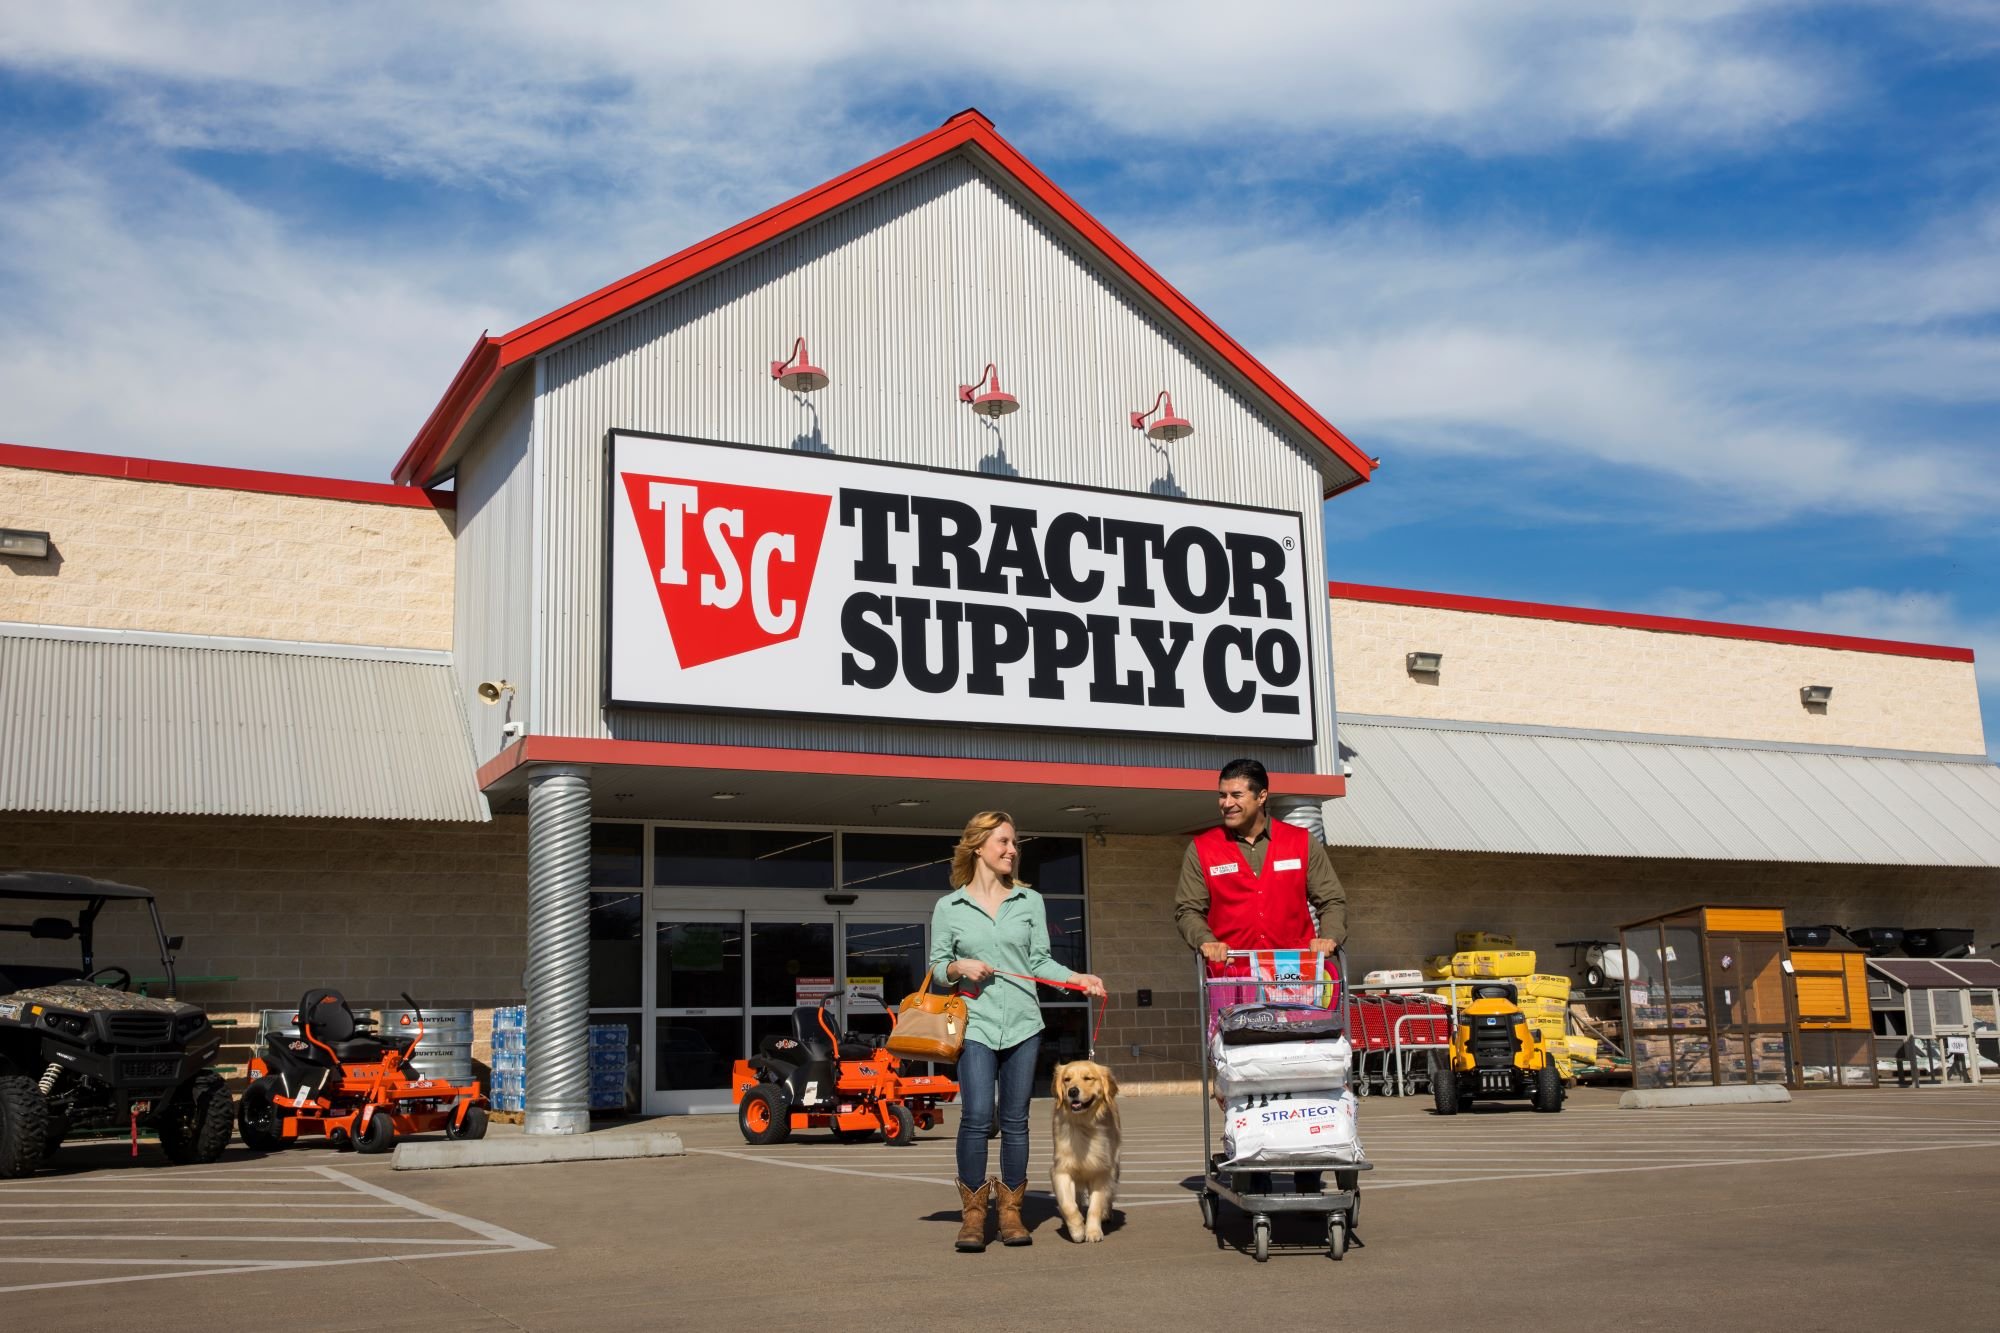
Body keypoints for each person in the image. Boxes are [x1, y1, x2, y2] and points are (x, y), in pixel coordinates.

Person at [929, 811, 1105, 1253]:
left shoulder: (1029, 901)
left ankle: (1010, 1213)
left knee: (1015, 1122)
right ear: (978, 847)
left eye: (1014, 844)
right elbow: (934, 970)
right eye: (1003, 842)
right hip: (974, 1024)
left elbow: (1039, 963)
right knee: (974, 1119)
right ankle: (973, 1217)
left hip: (1024, 1024)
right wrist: (957, 966)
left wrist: (1077, 978)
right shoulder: (950, 907)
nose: (1011, 850)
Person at [1175, 758, 1347, 1194]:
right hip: (1232, 978)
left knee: (1301, 1069)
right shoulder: (1204, 849)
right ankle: (1255, 1168)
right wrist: (1204, 939)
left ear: (1261, 796)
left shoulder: (1300, 842)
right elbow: (1188, 910)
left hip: (1296, 979)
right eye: (1221, 795)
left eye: (1235, 795)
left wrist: (1329, 938)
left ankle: (1308, 1171)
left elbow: (1332, 900)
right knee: (1241, 1074)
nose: (1226, 803)